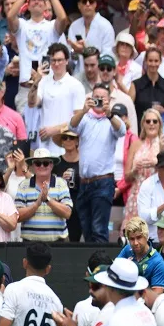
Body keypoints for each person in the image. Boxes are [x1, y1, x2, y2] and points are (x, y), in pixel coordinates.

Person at [7, 0, 70, 112]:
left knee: (46, 130)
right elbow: (10, 16)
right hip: (26, 88)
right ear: (28, 6)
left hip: (47, 86)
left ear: (45, 6)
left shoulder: (51, 26)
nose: (36, 1)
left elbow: (63, 18)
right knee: (25, 132)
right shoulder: (22, 25)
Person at [69, 83, 125, 242]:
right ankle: (92, 264)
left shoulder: (112, 119)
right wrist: (83, 110)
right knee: (86, 230)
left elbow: (122, 131)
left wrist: (109, 114)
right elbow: (71, 126)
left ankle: (101, 266)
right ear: (91, 98)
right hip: (84, 183)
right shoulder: (85, 118)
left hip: (103, 182)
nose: (99, 100)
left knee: (99, 230)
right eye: (96, 97)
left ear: (109, 100)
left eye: (103, 98)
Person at [28, 43, 86, 156]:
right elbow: (32, 103)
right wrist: (36, 82)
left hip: (65, 145)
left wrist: (55, 130)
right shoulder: (44, 82)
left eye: (60, 60)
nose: (56, 64)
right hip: (44, 146)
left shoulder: (75, 85)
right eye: (53, 60)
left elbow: (79, 119)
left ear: (67, 61)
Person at [121, 108, 164, 233]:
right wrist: (135, 170)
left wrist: (156, 163)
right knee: (134, 235)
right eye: (148, 121)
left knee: (156, 235)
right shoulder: (136, 144)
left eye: (155, 121)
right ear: (143, 124)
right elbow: (126, 177)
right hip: (137, 195)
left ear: (160, 124)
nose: (151, 124)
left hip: (157, 195)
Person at [15, 148, 73, 242]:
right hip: (30, 243)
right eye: (38, 163)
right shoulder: (23, 185)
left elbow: (67, 213)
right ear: (33, 166)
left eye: (45, 163)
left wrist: (47, 200)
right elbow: (17, 217)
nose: (42, 166)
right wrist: (37, 204)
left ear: (51, 165)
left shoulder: (61, 183)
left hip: (58, 243)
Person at [67, 0, 115, 75]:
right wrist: (75, 52)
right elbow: (70, 60)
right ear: (79, 5)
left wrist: (85, 51)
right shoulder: (74, 26)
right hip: (78, 76)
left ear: (95, 4)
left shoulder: (106, 26)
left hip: (98, 77)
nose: (88, 4)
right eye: (84, 1)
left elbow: (108, 57)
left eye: (91, 1)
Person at [118, 217, 164, 293]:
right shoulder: (127, 249)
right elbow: (114, 271)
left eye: (139, 237)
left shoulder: (158, 263)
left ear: (146, 236)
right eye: (132, 239)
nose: (135, 243)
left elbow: (156, 298)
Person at [52, 127, 83, 242]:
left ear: (77, 141)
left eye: (72, 137)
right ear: (62, 142)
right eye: (65, 138)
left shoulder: (84, 161)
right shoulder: (56, 163)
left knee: (77, 238)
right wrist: (60, 179)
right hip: (61, 205)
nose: (68, 140)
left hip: (80, 204)